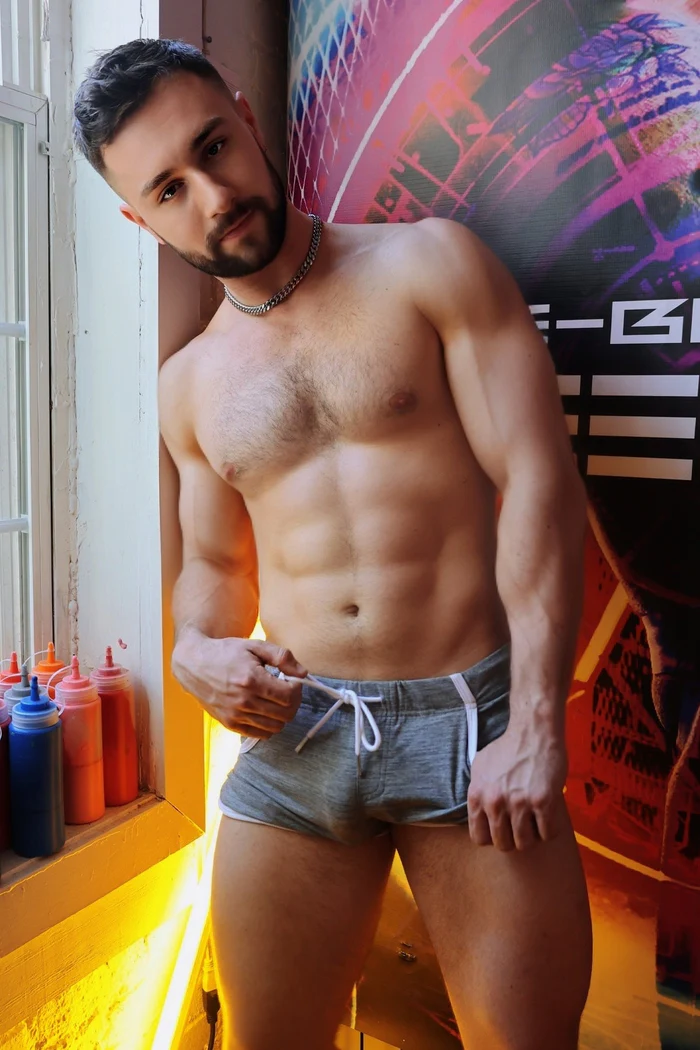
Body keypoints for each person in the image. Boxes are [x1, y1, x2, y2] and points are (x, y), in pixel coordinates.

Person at [74, 38, 593, 1050]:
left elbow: (540, 482)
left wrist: (535, 724)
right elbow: (216, 572)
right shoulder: (188, 385)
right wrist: (194, 651)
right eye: (169, 190)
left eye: (213, 147)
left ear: (246, 118)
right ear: (140, 220)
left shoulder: (430, 264)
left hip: (471, 723)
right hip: (300, 737)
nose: (213, 196)